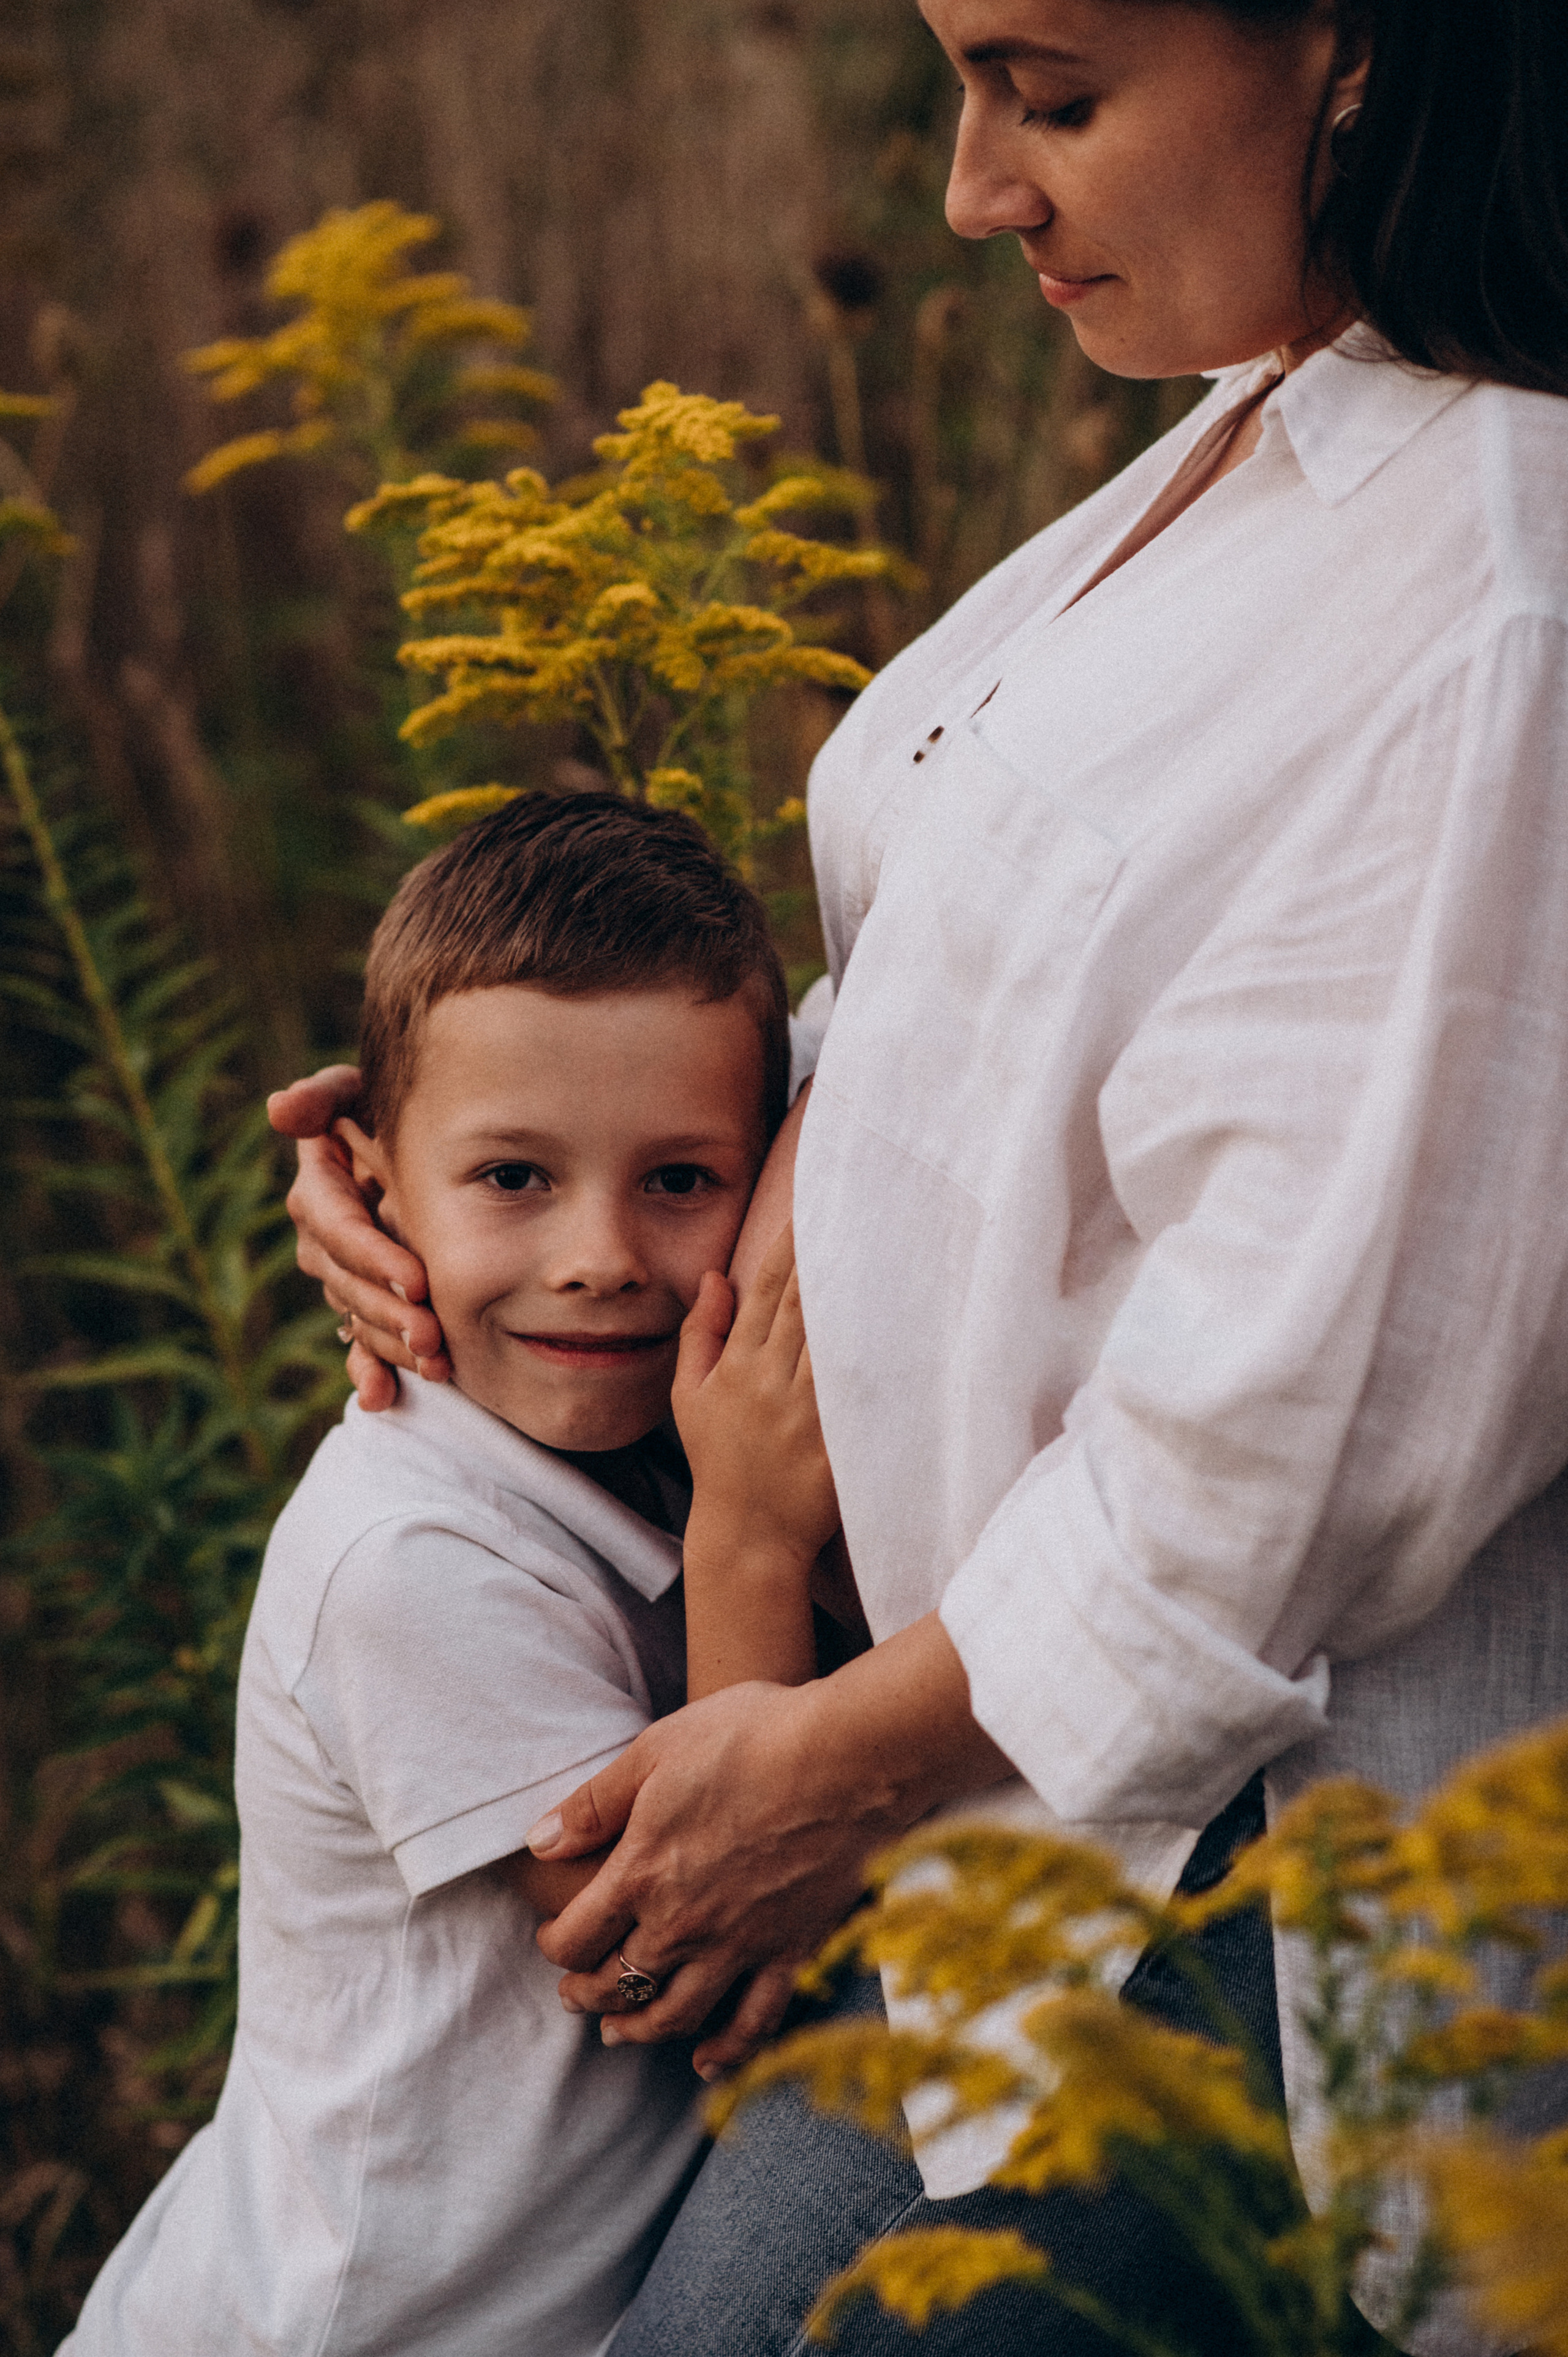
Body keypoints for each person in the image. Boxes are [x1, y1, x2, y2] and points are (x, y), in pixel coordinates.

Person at [274, 0, 1568, 2347]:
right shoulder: (1272, 435)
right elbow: (975, 1042)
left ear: (1357, 53)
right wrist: (477, 1163)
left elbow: (1294, 1430)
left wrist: (824, 1764)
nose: (974, 190)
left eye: (1051, 94)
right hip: (984, 1793)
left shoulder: (1503, 605)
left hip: (1195, 1876)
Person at [60, 792, 842, 2357]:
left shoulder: (613, 1451)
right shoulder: (410, 1558)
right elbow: (679, 1953)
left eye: (681, 1180)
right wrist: (752, 1534)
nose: (600, 1254)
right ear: (366, 1185)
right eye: (512, 1179)